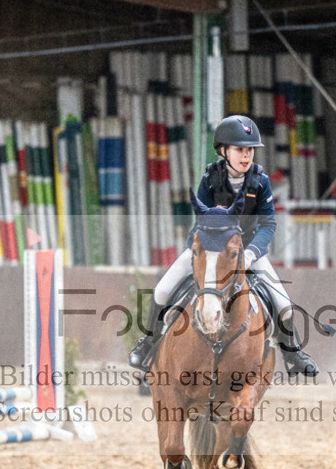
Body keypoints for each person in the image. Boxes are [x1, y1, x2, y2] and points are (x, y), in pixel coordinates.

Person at [128, 114, 318, 377]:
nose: (246, 155)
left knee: (283, 305)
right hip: (209, 249)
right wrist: (201, 252)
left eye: (249, 150)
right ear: (223, 151)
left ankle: (293, 352)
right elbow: (201, 220)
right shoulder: (210, 178)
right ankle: (148, 342)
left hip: (249, 251)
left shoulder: (260, 182)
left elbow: (269, 225)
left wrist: (251, 253)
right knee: (162, 290)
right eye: (240, 149)